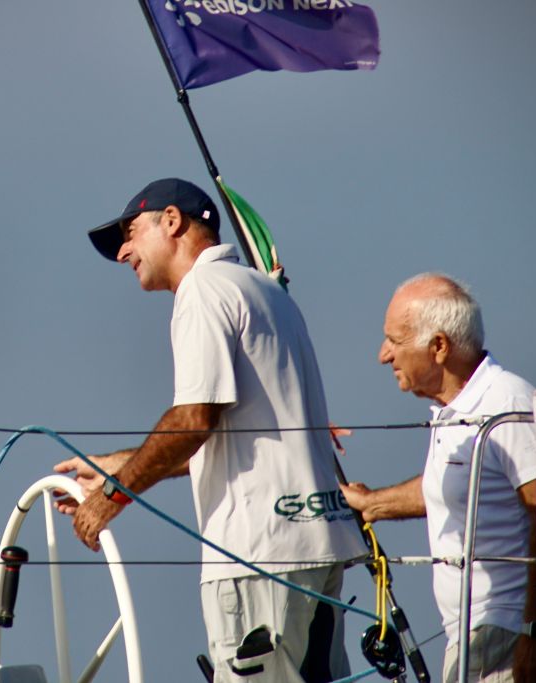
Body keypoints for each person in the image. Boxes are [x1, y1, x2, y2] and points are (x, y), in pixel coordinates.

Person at [54, 178, 367, 682]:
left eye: (129, 235)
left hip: (258, 554)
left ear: (171, 221)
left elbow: (193, 421)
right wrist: (115, 467)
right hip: (318, 546)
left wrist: (111, 496)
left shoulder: (202, 290)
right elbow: (228, 433)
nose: (123, 254)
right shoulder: (268, 292)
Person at [338, 273, 536, 683]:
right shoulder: (457, 409)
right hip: (478, 634)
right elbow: (456, 486)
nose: (383, 355)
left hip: (508, 631)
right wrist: (373, 504)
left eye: (394, 340)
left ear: (439, 347)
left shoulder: (505, 402)